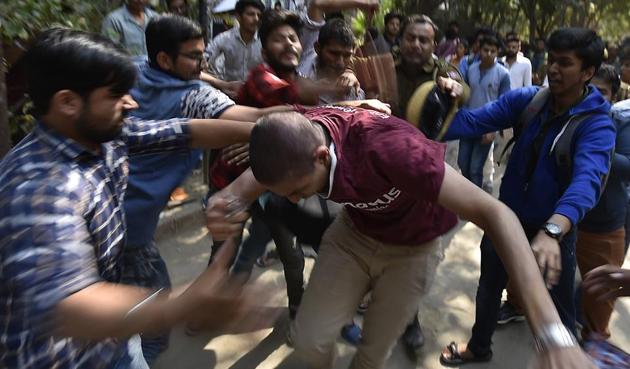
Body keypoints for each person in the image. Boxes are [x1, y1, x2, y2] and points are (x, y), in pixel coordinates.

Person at [205, 102, 598, 369]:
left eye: (297, 190)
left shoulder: (392, 149)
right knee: (308, 339)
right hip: (353, 235)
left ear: (322, 156)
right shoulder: (300, 137)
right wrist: (233, 194)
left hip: (415, 247)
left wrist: (552, 333)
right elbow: (271, 139)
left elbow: (496, 214)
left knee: (373, 353)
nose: (294, 200)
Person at [0, 27, 278, 369]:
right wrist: (185, 304)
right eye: (116, 94)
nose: (130, 103)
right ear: (68, 102)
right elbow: (71, 306)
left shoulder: (103, 134)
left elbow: (184, 131)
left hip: (111, 341)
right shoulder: (39, 187)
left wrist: (274, 131)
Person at [440, 27, 616, 365]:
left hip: (553, 231)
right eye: (551, 60)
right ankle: (479, 348)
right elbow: (470, 123)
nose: (553, 69)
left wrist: (552, 231)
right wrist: (439, 104)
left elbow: (586, 182)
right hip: (505, 220)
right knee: (489, 288)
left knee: (558, 311)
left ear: (588, 72)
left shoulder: (597, 124)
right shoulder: (530, 100)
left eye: (565, 63)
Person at [122, 14, 292, 362]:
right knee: (148, 315)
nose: (203, 63)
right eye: (196, 57)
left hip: (120, 217)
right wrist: (336, 112)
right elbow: (258, 122)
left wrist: (222, 85)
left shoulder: (134, 71)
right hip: (129, 227)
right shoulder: (195, 100)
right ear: (165, 59)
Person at [575, 66, 628, 341]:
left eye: (603, 92)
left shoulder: (624, 122)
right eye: (590, 89)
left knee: (598, 308)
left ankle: (592, 348)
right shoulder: (568, 112)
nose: (594, 97)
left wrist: (597, 148)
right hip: (565, 221)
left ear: (614, 96)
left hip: (604, 226)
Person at [457, 34, 510, 189]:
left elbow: (504, 104)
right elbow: (465, 95)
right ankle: (469, 194)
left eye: (493, 51)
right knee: (463, 162)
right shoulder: (471, 69)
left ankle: (474, 204)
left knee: (475, 167)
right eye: (486, 50)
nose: (488, 54)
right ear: (479, 50)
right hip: (468, 123)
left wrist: (494, 129)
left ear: (498, 52)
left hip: (487, 125)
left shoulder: (503, 74)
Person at [394, 14, 465, 119]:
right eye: (410, 38)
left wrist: (455, 88)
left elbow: (464, 90)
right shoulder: (387, 66)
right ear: (400, 41)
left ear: (433, 47)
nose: (416, 45)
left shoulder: (440, 69)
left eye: (423, 41)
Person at [298, 18, 365, 103]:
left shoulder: (355, 94)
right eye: (334, 54)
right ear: (317, 48)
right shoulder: (302, 62)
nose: (340, 63)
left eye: (347, 55)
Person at [205, 0, 265, 85]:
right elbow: (203, 61)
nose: (256, 19)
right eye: (251, 14)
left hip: (258, 92)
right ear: (238, 17)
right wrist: (221, 84)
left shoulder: (264, 40)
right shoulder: (224, 38)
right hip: (230, 92)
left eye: (259, 15)